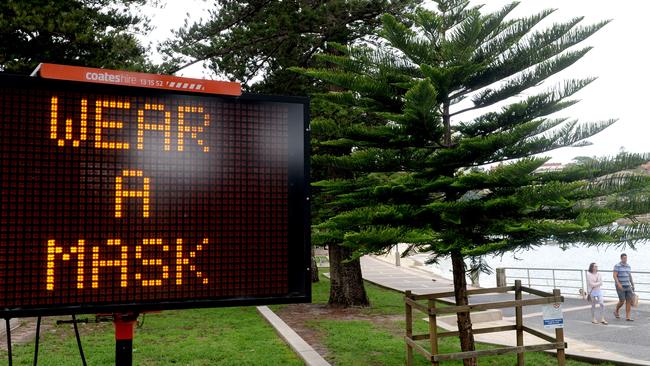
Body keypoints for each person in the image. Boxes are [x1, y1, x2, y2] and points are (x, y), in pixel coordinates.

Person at [613, 253, 635, 321]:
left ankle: (628, 317)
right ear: (621, 258)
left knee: (629, 300)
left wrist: (632, 284)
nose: (625, 259)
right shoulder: (617, 266)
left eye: (626, 258)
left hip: (628, 285)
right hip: (620, 285)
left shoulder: (628, 266)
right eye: (624, 258)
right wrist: (618, 283)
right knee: (622, 301)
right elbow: (614, 275)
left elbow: (629, 275)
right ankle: (616, 310)